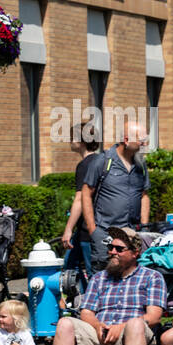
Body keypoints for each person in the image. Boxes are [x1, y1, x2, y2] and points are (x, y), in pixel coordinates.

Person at [34, 227, 165, 345]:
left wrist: (121, 327)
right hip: (100, 337)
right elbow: (87, 312)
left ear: (135, 253)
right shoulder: (99, 278)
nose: (112, 252)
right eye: (110, 247)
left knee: (136, 323)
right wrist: (96, 325)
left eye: (119, 249)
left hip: (132, 339)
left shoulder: (152, 277)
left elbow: (154, 316)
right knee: (65, 323)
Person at [81, 121, 151, 271]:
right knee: (101, 278)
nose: (146, 143)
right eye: (142, 140)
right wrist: (93, 229)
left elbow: (144, 195)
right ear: (126, 140)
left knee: (129, 278)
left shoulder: (140, 164)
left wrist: (144, 228)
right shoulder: (103, 161)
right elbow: (86, 193)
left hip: (132, 234)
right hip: (105, 233)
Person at [60, 118, 102, 276]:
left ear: (81, 140)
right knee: (71, 265)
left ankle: (88, 299)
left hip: (87, 228)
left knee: (92, 273)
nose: (69, 141)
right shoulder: (101, 161)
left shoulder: (85, 165)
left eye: (72, 137)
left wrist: (68, 229)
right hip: (96, 225)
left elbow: (80, 199)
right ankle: (79, 299)